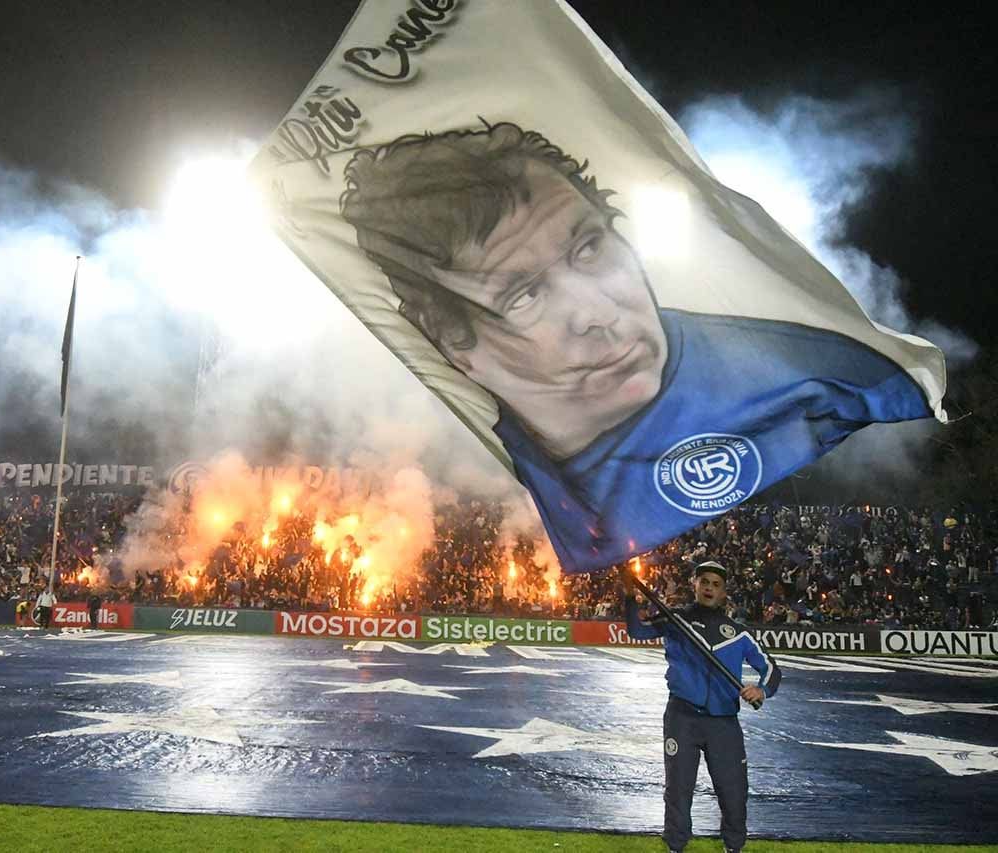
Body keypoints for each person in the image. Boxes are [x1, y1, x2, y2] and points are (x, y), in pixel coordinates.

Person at [339, 122, 932, 570]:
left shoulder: (813, 367)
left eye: (589, 248)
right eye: (523, 296)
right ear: (454, 345)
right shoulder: (507, 451)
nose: (596, 314)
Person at [624, 561, 782, 853]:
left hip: (724, 723)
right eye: (704, 582)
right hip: (681, 717)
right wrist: (629, 597)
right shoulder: (675, 620)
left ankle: (733, 847)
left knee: (733, 791)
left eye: (716, 584)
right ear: (694, 585)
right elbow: (636, 630)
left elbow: (771, 668)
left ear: (724, 592)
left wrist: (762, 689)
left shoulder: (738, 633)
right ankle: (676, 846)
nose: (709, 588)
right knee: (678, 789)